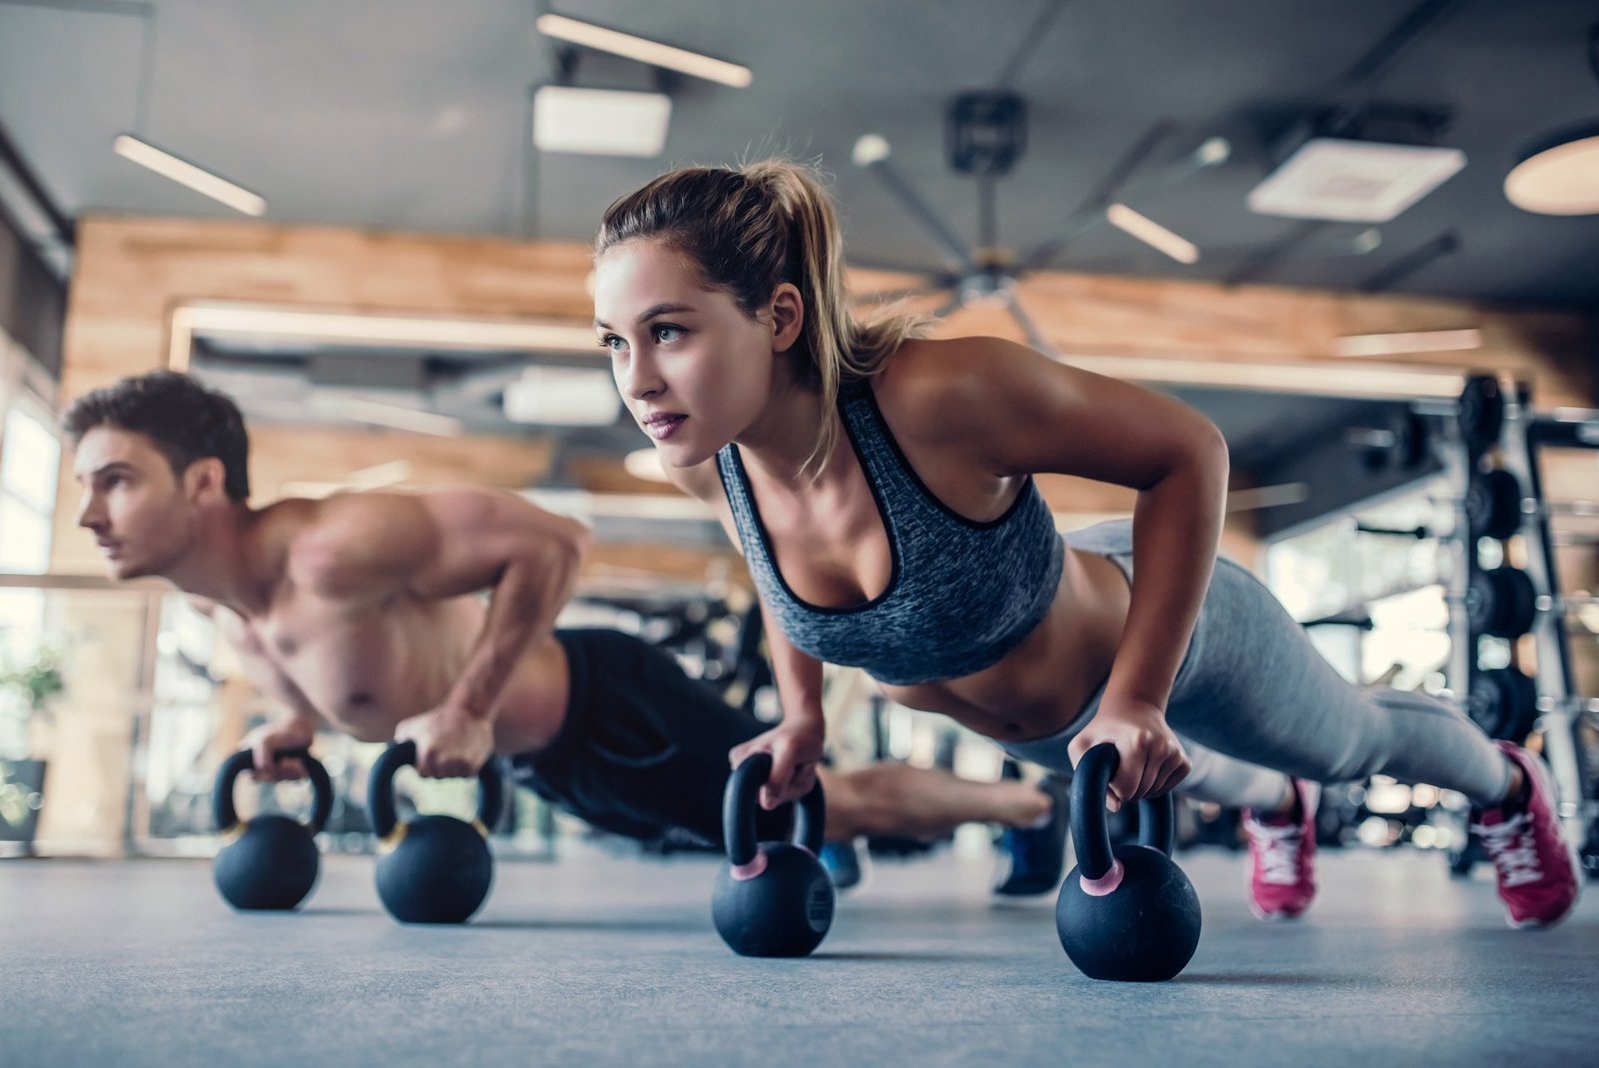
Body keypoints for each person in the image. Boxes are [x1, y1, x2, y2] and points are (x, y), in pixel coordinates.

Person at [589, 158, 1580, 927]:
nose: (636, 379)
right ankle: (1271, 807)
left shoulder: (938, 398)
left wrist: (1139, 696)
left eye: (667, 330)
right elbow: (779, 581)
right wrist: (801, 716)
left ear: (779, 317)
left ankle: (1503, 785)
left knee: (1350, 747)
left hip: (1164, 629)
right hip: (1073, 730)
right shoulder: (707, 461)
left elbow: (1187, 451)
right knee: (1199, 767)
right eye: (613, 341)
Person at [63, 370, 1066, 887]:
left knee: (829, 806)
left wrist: (466, 705)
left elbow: (555, 539)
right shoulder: (220, 603)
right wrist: (289, 723)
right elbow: (324, 666)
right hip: (560, 763)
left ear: (202, 484)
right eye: (81, 487)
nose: (88, 515)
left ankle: (1027, 811)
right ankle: (990, 812)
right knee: (778, 825)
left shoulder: (334, 544)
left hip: (609, 708)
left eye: (115, 480)